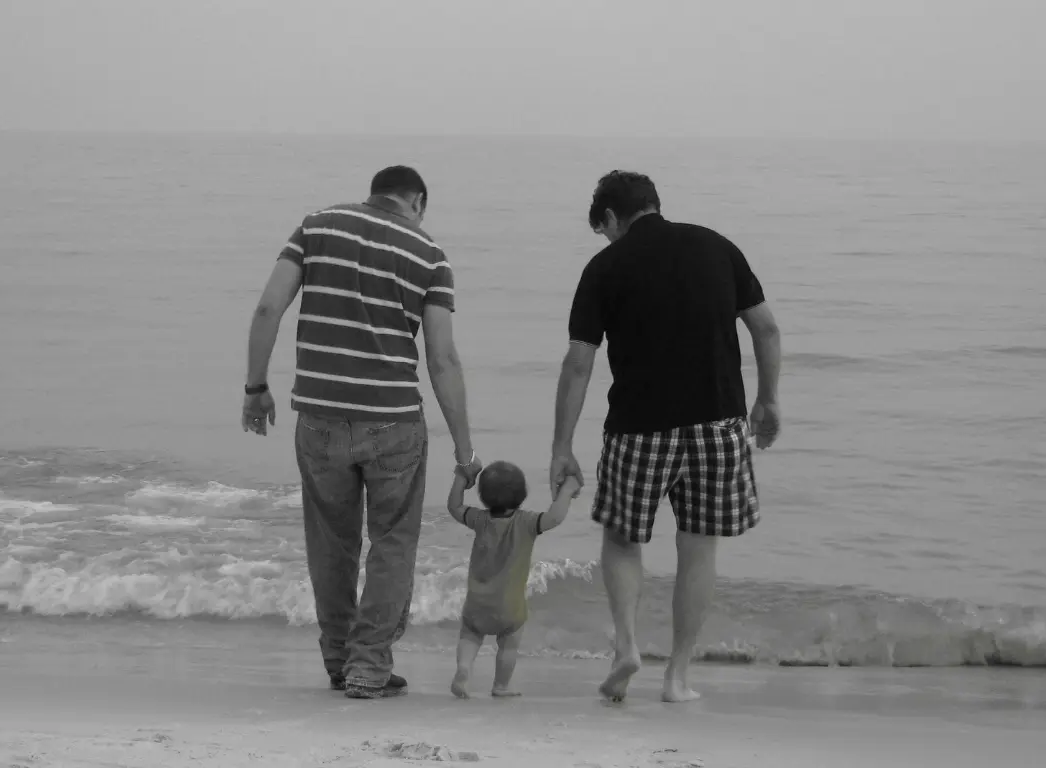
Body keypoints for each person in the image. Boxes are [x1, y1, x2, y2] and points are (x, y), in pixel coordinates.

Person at [242, 165, 483, 700]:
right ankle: (368, 667)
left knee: (331, 542)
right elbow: (442, 359)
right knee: (393, 542)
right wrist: (466, 451)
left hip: (319, 418)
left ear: (374, 193)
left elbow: (268, 307)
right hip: (393, 421)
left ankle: (338, 659)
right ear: (418, 202)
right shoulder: (430, 255)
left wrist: (256, 387)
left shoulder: (316, 225)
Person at [548, 171, 782, 704]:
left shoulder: (605, 267)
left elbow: (578, 363)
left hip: (638, 430)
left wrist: (562, 446)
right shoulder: (718, 248)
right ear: (653, 204)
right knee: (698, 548)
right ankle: (677, 677)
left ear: (611, 217)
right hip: (719, 425)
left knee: (621, 540)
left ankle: (627, 647)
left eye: (603, 229)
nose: (606, 239)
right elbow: (766, 328)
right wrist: (767, 399)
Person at [445, 460, 581, 699]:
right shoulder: (527, 522)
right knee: (509, 644)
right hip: (509, 607)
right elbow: (554, 517)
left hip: (477, 603)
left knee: (470, 635)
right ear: (522, 494)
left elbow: (454, 506)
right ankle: (501, 686)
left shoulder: (479, 520)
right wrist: (567, 490)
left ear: (483, 496)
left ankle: (464, 668)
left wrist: (461, 476)